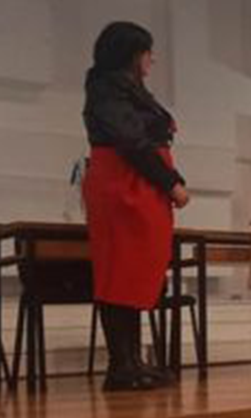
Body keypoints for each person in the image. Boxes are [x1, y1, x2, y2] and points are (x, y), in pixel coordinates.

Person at [83, 21, 189, 390]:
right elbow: (132, 142)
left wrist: (168, 180)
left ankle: (132, 360)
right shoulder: (105, 88)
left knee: (137, 272)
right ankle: (120, 366)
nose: (152, 59)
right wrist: (171, 182)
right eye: (147, 52)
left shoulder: (126, 89)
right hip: (123, 185)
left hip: (139, 184)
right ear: (131, 55)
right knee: (120, 272)